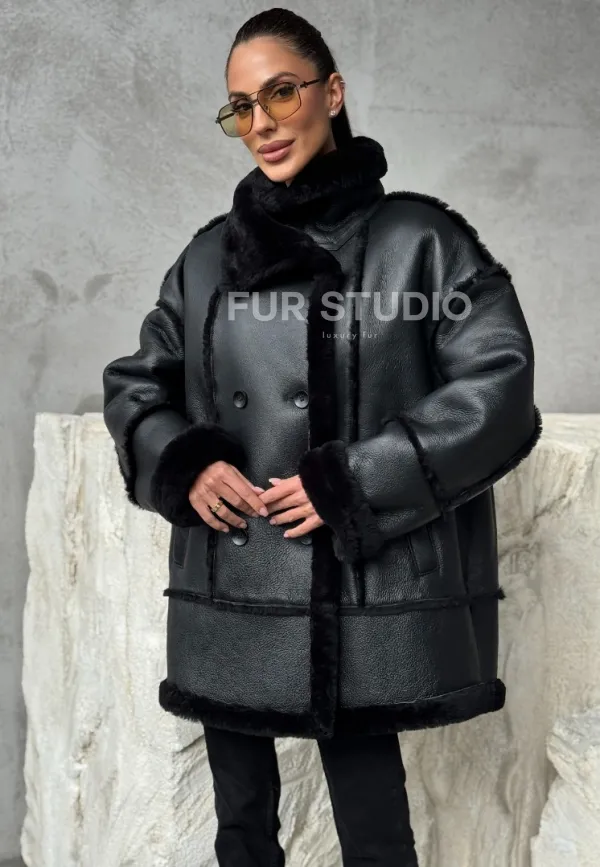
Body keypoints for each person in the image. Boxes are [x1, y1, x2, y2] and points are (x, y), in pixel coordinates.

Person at [102, 7, 542, 866]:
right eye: (241, 107)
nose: (261, 124)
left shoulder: (419, 241)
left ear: (332, 93)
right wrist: (185, 464)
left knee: (375, 835)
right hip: (230, 584)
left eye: (281, 93)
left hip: (360, 588)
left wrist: (354, 482)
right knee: (241, 830)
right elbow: (136, 385)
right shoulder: (206, 259)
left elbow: (500, 385)